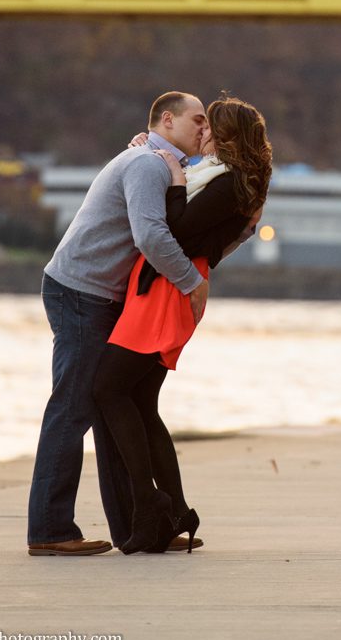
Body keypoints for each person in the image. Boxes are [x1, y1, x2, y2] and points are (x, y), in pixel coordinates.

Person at [26, 91, 210, 557]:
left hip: (101, 296)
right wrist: (190, 282)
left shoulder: (156, 162)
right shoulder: (147, 164)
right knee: (72, 408)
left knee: (112, 406)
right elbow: (151, 234)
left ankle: (139, 528)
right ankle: (49, 530)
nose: (204, 129)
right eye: (197, 120)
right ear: (166, 121)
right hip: (81, 292)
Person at [92, 95, 272, 554]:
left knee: (107, 389)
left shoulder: (231, 183)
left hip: (172, 290)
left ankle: (153, 507)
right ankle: (174, 512)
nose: (203, 133)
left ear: (228, 136)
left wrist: (171, 177)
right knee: (141, 401)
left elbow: (178, 228)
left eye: (211, 127)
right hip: (161, 287)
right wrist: (154, 156)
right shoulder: (218, 176)